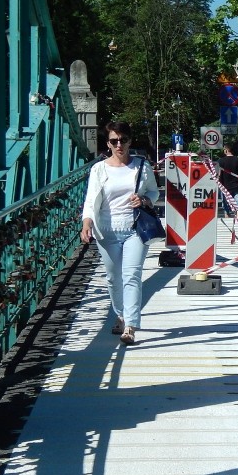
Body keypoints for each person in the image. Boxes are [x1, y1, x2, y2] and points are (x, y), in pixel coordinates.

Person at [80, 121, 159, 345]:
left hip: (135, 228)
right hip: (106, 231)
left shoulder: (141, 166)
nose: (119, 145)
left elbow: (153, 192)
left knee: (132, 275)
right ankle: (121, 314)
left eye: (123, 140)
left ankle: (130, 326)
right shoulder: (99, 169)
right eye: (114, 141)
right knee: (114, 279)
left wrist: (144, 199)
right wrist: (86, 224)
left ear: (130, 141)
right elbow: (89, 201)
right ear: (108, 144)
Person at [218, 144, 238, 217]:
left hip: (224, 185)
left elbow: (219, 174)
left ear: (226, 150)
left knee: (225, 200)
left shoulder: (221, 161)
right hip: (236, 185)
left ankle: (226, 214)